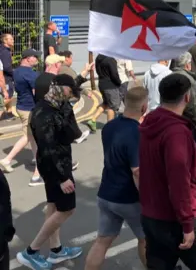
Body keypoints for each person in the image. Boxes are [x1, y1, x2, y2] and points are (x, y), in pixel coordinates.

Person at [138, 73, 196, 269]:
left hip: (152, 215)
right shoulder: (177, 132)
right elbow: (178, 181)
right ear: (187, 97)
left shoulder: (149, 122)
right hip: (178, 218)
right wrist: (187, 224)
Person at [17, 74, 84, 269]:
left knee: (53, 206)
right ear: (56, 87)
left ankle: (56, 251)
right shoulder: (44, 112)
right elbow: (47, 147)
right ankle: (31, 252)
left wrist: (78, 83)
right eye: (69, 91)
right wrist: (63, 177)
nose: (70, 96)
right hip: (56, 168)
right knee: (67, 209)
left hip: (57, 164)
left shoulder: (58, 105)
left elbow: (73, 133)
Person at [85, 87, 149, 270]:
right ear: (144, 107)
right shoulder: (137, 132)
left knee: (102, 241)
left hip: (106, 194)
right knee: (145, 239)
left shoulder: (109, 126)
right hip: (128, 198)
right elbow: (137, 171)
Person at [0, 50, 43, 186]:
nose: (37, 59)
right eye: (35, 57)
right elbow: (37, 93)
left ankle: (32, 159)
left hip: (21, 106)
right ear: (27, 58)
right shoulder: (32, 74)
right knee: (29, 136)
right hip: (30, 108)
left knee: (31, 136)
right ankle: (8, 160)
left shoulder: (16, 71)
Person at [87, 54, 122, 133]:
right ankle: (109, 128)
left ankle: (93, 120)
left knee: (106, 103)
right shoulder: (111, 59)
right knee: (113, 106)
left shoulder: (98, 58)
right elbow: (114, 74)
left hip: (102, 83)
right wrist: (119, 82)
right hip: (110, 86)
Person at [0, 34, 15, 118]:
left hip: (5, 77)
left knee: (9, 94)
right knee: (7, 96)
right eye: (11, 39)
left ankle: (10, 113)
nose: (13, 40)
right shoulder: (5, 52)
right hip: (5, 77)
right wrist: (14, 73)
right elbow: (6, 67)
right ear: (5, 41)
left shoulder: (4, 49)